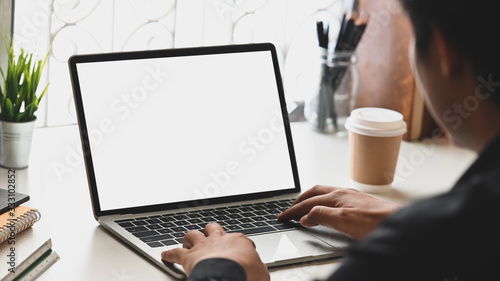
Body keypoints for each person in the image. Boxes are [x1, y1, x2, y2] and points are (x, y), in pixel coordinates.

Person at [162, 0, 500, 280]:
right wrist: (412, 224)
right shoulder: (471, 223)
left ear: (443, 52)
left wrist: (219, 267)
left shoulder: (403, 252)